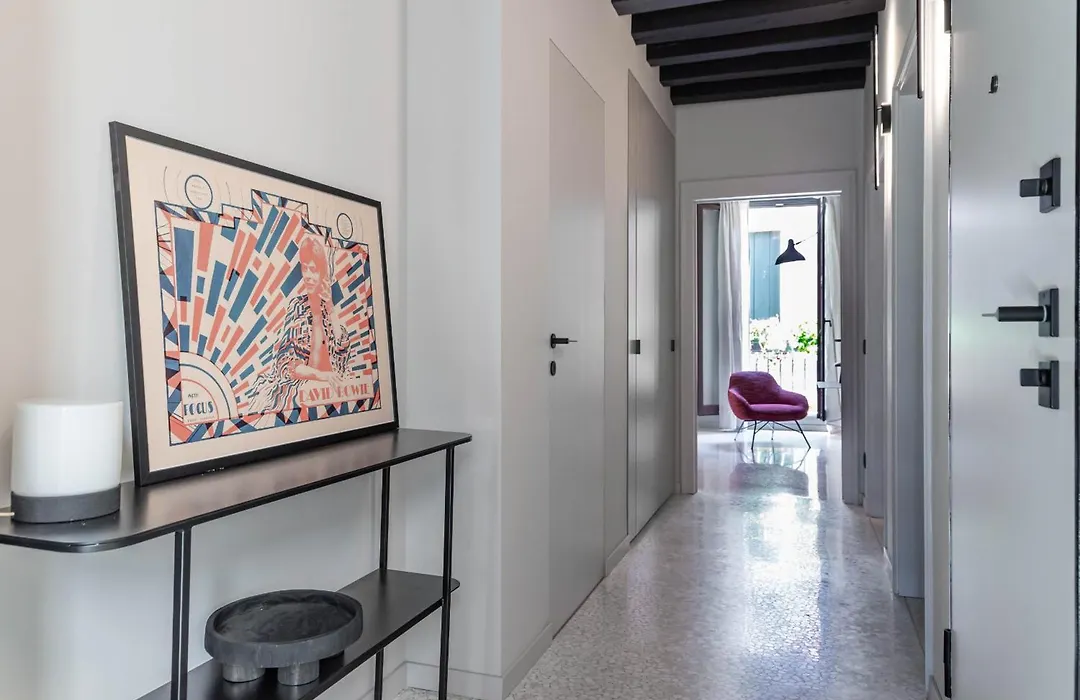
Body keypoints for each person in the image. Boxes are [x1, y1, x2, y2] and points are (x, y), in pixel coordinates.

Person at [246, 236, 351, 414]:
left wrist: (330, 307)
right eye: (305, 268)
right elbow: (286, 364)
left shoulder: (329, 311)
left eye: (314, 270)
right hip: (296, 396)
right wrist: (322, 375)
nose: (308, 276)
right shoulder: (297, 307)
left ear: (322, 274)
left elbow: (342, 355)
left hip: (327, 398)